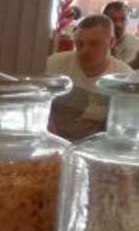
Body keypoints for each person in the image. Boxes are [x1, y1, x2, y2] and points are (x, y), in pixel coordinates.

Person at [47, 13, 131, 141]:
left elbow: (122, 129)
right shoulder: (55, 63)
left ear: (111, 42)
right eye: (80, 44)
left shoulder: (124, 77)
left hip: (96, 146)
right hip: (52, 140)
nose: (84, 51)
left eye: (94, 44)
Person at [102, 0, 139, 67]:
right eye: (113, 20)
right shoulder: (95, 44)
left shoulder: (137, 46)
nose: (119, 25)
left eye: (123, 19)